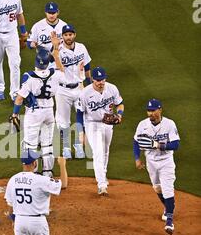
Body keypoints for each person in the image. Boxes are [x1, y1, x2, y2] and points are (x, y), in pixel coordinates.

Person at [11, 48, 66, 177]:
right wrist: (56, 55)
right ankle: (48, 174)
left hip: (34, 113)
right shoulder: (55, 73)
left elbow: (19, 98)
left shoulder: (29, 76)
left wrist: (15, 114)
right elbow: (62, 71)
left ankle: (32, 174)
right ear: (48, 63)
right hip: (49, 111)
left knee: (30, 144)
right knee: (47, 144)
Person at [133, 99, 180, 235]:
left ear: (160, 110)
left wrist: (160, 145)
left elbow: (176, 144)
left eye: (153, 110)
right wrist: (137, 158)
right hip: (151, 162)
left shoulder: (169, 124)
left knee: (168, 189)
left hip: (166, 161)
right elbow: (136, 141)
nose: (151, 113)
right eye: (149, 111)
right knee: (157, 188)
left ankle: (169, 222)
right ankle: (168, 207)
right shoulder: (142, 125)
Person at [76, 66, 124, 195]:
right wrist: (81, 133)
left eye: (102, 79)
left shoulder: (112, 88)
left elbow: (120, 103)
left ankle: (103, 174)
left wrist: (119, 114)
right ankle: (101, 185)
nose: (100, 82)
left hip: (108, 124)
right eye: (97, 80)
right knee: (98, 152)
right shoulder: (85, 93)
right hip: (92, 124)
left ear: (105, 78)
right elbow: (79, 114)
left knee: (106, 150)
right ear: (92, 80)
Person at [52, 24, 91, 159]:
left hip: (79, 88)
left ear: (74, 35)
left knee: (82, 116)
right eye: (66, 35)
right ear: (62, 36)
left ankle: (79, 145)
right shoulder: (58, 50)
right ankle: (67, 147)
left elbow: (87, 66)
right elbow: (59, 67)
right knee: (64, 122)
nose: (68, 37)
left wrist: (89, 87)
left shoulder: (81, 47)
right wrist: (56, 47)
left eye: (70, 34)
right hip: (62, 89)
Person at [27, 2, 66, 66]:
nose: (51, 15)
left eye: (53, 13)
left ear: (58, 12)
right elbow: (29, 43)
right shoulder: (37, 26)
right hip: (43, 62)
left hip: (61, 60)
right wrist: (33, 44)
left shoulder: (63, 25)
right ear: (45, 12)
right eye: (49, 13)